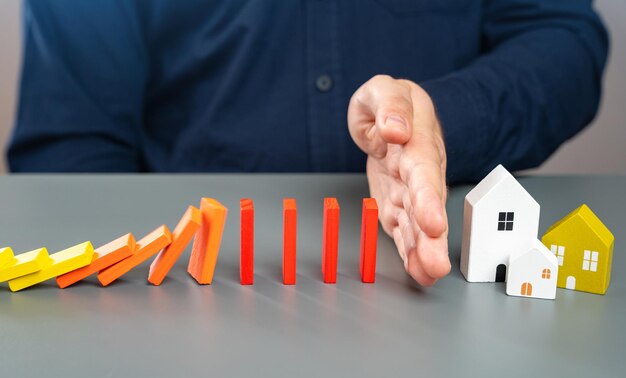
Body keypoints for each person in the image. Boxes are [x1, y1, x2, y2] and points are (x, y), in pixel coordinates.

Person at [7, 1, 608, 286]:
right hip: (184, 293)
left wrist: (441, 119)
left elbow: (561, 39)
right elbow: (69, 143)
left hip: (431, 261)